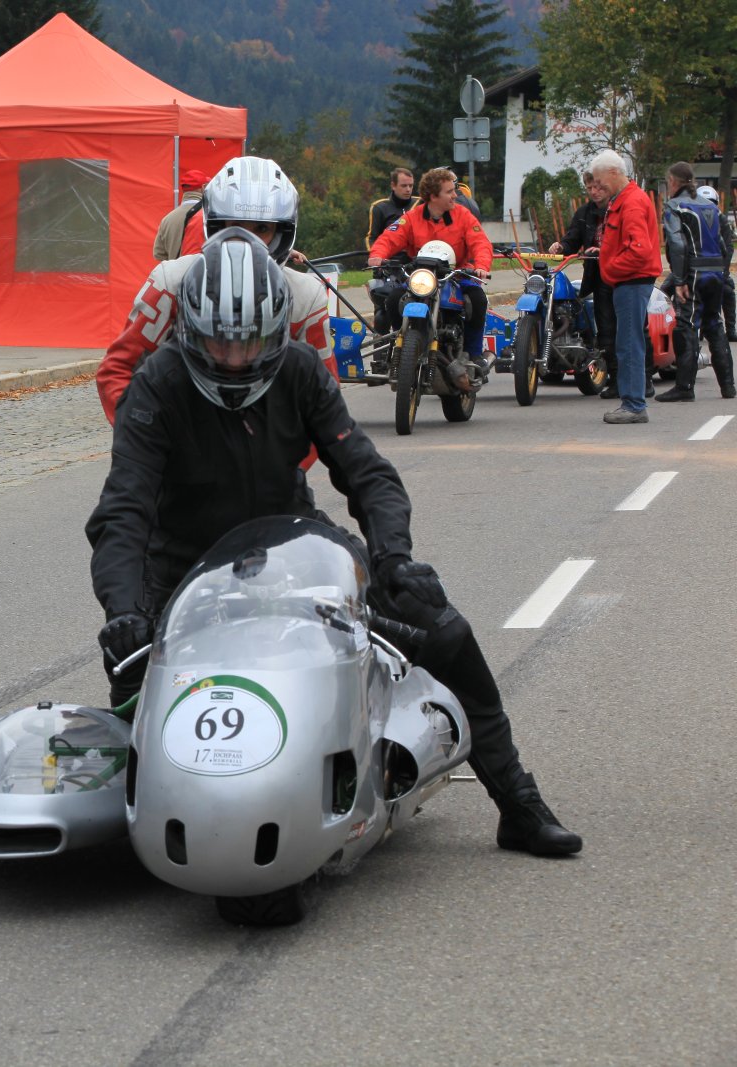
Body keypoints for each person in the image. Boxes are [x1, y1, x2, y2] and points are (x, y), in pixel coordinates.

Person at [87, 230, 582, 857]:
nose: (235, 359)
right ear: (189, 331)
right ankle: (155, 815)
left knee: (444, 629)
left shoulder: (299, 370)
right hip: (183, 568)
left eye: (250, 342)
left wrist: (393, 557)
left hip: (292, 552)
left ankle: (517, 801)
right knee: (132, 685)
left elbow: (367, 472)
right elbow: (123, 510)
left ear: (276, 331)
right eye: (219, 342)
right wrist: (124, 611)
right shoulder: (157, 384)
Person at [99, 154, 334, 424]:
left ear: (282, 232)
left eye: (261, 228)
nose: (246, 240)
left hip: (267, 438)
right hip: (185, 434)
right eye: (235, 226)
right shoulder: (171, 283)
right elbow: (118, 370)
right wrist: (145, 436)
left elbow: (323, 397)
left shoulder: (306, 296)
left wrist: (289, 450)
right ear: (215, 225)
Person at [367, 167, 493, 387]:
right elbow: (389, 237)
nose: (455, 196)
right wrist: (377, 255)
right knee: (394, 299)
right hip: (422, 276)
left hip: (456, 275)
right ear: (434, 196)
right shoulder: (412, 217)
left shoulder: (463, 215)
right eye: (449, 192)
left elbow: (480, 242)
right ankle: (400, 346)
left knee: (478, 300)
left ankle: (473, 355)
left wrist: (481, 266)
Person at [657, 162, 735, 402]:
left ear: (673, 182)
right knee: (714, 324)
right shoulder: (711, 207)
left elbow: (677, 244)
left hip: (693, 273)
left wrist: (680, 279)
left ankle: (684, 387)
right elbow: (724, 242)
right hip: (715, 273)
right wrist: (721, 270)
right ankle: (728, 386)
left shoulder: (674, 206)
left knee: (686, 326)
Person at [593, 150, 659, 425]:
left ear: (614, 172)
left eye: (600, 181)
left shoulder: (630, 203)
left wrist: (610, 268)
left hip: (631, 281)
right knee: (628, 342)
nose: (598, 187)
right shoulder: (626, 200)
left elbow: (639, 250)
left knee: (629, 344)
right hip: (629, 280)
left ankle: (633, 405)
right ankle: (632, 402)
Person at [548, 172, 618, 396]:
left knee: (616, 328)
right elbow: (573, 238)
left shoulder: (618, 209)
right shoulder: (584, 213)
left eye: (598, 187)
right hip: (597, 276)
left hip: (619, 275)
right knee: (603, 326)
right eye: (589, 188)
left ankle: (623, 379)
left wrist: (604, 251)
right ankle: (613, 377)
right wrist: (561, 247)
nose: (594, 192)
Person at [696, 185, 737, 342]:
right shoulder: (692, 219)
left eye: (711, 203)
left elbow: (728, 247)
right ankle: (695, 328)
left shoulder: (722, 220)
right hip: (696, 268)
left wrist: (723, 272)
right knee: (668, 287)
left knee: (728, 290)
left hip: (717, 268)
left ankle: (731, 329)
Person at [153, 169, 207, 261]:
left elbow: (158, 254)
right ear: (203, 187)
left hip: (174, 269)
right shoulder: (208, 216)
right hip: (200, 269)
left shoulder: (167, 219)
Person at [366, 167, 418, 247]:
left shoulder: (421, 203)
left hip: (417, 253)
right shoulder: (379, 207)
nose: (408, 189)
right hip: (389, 253)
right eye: (404, 186)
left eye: (411, 186)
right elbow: (372, 238)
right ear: (393, 186)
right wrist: (375, 254)